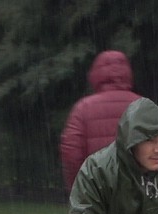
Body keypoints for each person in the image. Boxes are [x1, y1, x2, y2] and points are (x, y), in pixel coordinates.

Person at [59, 50, 142, 192]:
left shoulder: (83, 108)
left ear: (96, 74)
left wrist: (79, 187)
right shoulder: (143, 106)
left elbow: (71, 153)